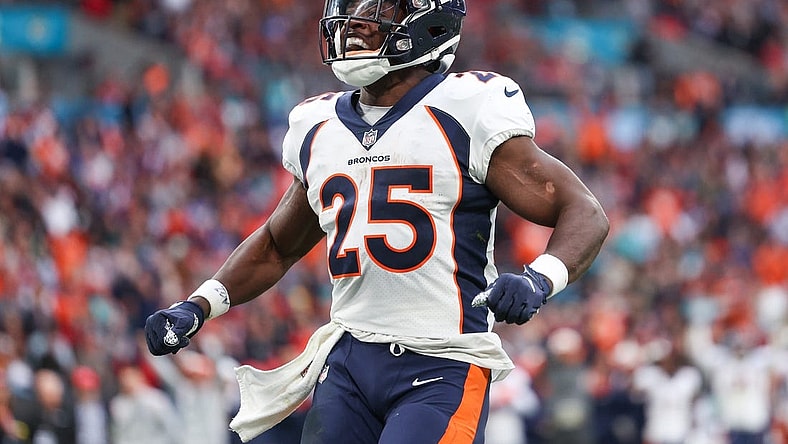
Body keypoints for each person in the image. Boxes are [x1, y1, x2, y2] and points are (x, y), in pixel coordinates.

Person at [144, 0, 609, 442]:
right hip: (348, 365)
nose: (355, 21)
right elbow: (276, 245)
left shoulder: (467, 108)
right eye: (350, 8)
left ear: (430, 19)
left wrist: (538, 280)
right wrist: (199, 305)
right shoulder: (318, 125)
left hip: (443, 364)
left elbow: (583, 211)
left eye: (377, 7)